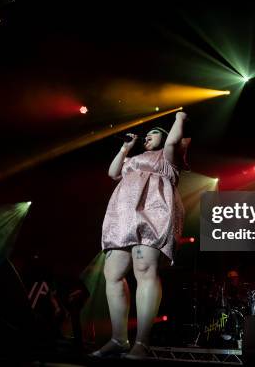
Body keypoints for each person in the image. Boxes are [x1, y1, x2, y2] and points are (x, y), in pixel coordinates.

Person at [90, 111, 188, 359]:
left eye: (153, 133)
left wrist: (179, 118)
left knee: (144, 270)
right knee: (112, 273)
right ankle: (118, 338)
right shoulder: (132, 161)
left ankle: (141, 343)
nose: (147, 137)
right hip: (123, 214)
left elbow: (173, 141)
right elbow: (113, 173)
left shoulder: (167, 157)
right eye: (146, 134)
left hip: (153, 211)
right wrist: (125, 148)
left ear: (163, 137)